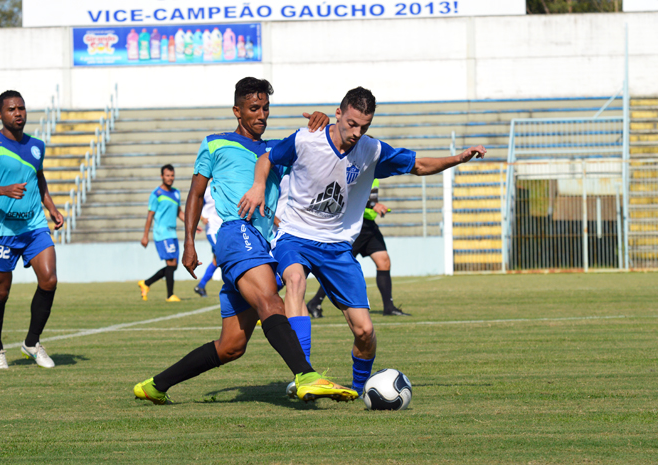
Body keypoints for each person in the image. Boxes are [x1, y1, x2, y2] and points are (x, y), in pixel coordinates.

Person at [239, 86, 486, 395]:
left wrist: (458, 159)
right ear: (338, 113)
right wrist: (258, 186)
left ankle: (361, 389)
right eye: (352, 124)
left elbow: (419, 166)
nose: (357, 132)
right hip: (296, 236)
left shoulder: (371, 150)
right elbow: (267, 158)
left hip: (338, 246)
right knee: (294, 281)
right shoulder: (306, 139)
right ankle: (303, 375)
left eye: (364, 127)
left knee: (365, 331)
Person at [133, 77, 358, 405]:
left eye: (266, 108)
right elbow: (196, 193)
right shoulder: (214, 144)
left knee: (231, 346)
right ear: (237, 111)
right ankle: (306, 376)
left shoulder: (274, 151)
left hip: (261, 242)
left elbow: (323, 149)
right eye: (254, 108)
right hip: (234, 231)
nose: (262, 115)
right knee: (271, 299)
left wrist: (325, 125)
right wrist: (190, 244)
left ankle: (155, 385)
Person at [0, 90, 64, 370]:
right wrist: (3, 190)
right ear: (0, 114)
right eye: (11, 109)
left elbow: (39, 179)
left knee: (49, 280)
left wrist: (52, 208)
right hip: (3, 230)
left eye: (21, 108)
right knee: (1, 292)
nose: (18, 113)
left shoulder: (37, 146)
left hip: (34, 226)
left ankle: (32, 343)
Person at [306, 179, 410, 318]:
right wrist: (373, 205)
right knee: (338, 267)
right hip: (353, 225)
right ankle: (315, 302)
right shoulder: (356, 170)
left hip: (369, 226)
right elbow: (348, 195)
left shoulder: (375, 174)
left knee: (384, 261)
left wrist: (373, 206)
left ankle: (389, 307)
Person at [138, 164, 184, 302]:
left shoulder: (176, 193)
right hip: (162, 233)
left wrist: (191, 224)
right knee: (171, 263)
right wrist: (145, 235)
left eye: (172, 175)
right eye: (167, 175)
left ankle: (146, 283)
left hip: (172, 233)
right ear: (162, 176)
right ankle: (170, 295)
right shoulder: (156, 194)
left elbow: (179, 212)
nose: (170, 178)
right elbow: (150, 216)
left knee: (174, 265)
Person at [193, 184, 223, 297]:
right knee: (223, 255)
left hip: (224, 228)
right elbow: (196, 203)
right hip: (213, 229)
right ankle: (234, 286)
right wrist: (201, 217)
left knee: (216, 260)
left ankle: (201, 286)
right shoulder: (207, 189)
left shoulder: (224, 185)